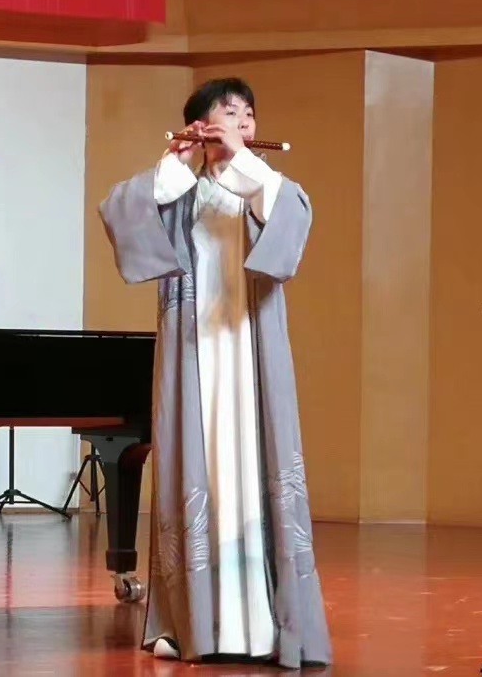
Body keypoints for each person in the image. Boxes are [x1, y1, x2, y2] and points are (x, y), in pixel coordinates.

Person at [98, 77, 331, 667]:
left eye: (249, 114)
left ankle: (267, 628)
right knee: (200, 468)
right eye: (230, 112)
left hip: (249, 347)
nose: (244, 122)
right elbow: (122, 211)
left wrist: (241, 160)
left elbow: (291, 220)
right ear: (201, 125)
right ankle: (193, 622)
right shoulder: (182, 188)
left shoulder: (263, 183)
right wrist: (175, 165)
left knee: (251, 468)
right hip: (194, 349)